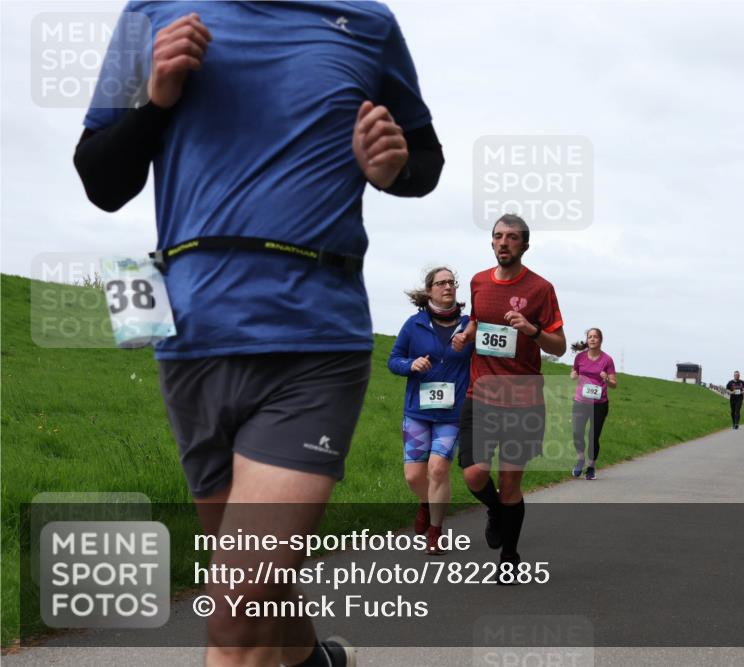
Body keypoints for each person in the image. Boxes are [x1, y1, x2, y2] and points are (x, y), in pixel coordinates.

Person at [74, 5, 443, 666]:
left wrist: (395, 169)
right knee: (255, 581)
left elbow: (426, 159)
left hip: (313, 343)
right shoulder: (152, 13)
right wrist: (156, 101)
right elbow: (101, 181)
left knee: (237, 615)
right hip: (191, 341)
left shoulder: (367, 21)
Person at [451, 214, 566, 579]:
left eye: (512, 237)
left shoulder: (541, 289)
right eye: (498, 236)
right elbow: (477, 320)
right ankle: (496, 511)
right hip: (481, 394)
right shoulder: (479, 281)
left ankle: (510, 558)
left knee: (511, 482)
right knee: (474, 474)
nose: (504, 242)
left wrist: (532, 330)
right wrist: (466, 334)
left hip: (522, 400)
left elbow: (559, 346)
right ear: (492, 242)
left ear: (524, 245)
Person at [388, 268, 471, 555]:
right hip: (418, 412)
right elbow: (393, 360)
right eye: (441, 283)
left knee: (437, 468)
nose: (448, 287)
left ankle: (435, 532)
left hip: (452, 413)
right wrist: (410, 365)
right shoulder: (414, 324)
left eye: (451, 282)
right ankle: (426, 503)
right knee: (414, 476)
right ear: (429, 291)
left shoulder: (468, 326)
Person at [569, 328, 617, 480]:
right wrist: (573, 375)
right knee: (577, 432)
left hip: (599, 403)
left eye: (595, 337)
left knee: (593, 436)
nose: (592, 339)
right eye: (590, 337)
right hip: (580, 401)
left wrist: (606, 379)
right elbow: (574, 373)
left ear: (600, 340)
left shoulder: (607, 360)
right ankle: (580, 459)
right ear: (587, 340)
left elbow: (614, 384)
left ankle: (591, 466)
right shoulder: (580, 357)